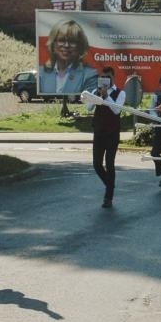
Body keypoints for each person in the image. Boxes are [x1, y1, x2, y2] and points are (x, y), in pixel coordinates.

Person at [38, 18, 99, 96]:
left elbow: (88, 104)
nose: (66, 45)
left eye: (72, 41)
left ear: (80, 46)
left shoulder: (90, 74)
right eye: (61, 40)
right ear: (53, 44)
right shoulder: (41, 73)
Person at [89, 68, 122, 208]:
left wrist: (106, 96)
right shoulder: (95, 92)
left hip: (112, 133)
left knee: (109, 163)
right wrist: (97, 96)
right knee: (96, 164)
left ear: (112, 77)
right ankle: (110, 184)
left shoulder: (120, 93)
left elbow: (117, 110)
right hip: (99, 132)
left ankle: (108, 196)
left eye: (107, 77)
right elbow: (89, 108)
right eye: (102, 77)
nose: (105, 80)